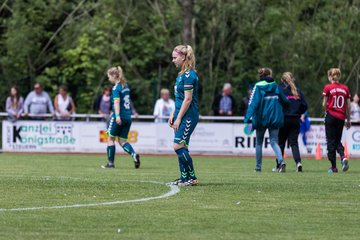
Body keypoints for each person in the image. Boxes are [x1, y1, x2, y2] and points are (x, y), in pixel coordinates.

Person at [244, 68, 289, 172]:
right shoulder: (276, 86)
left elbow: (253, 104)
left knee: (259, 142)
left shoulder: (258, 86)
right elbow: (285, 101)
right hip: (274, 118)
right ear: (270, 74)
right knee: (274, 142)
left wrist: (247, 118)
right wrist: (286, 108)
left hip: (261, 118)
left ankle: (258, 167)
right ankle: (281, 161)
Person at [168, 45, 199, 186]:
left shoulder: (189, 75)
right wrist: (173, 114)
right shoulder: (181, 75)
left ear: (183, 57)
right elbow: (179, 99)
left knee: (178, 146)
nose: (173, 60)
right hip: (181, 114)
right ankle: (184, 177)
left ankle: (192, 178)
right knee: (183, 146)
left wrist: (179, 118)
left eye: (175, 57)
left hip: (188, 116)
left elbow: (188, 99)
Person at [101, 66, 140, 169]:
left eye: (109, 76)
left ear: (114, 76)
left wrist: (117, 115)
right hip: (128, 116)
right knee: (122, 141)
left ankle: (110, 164)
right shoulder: (126, 86)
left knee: (110, 139)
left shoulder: (116, 88)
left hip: (119, 116)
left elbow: (117, 102)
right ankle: (134, 154)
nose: (109, 79)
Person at [274, 72, 307, 172]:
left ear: (282, 80)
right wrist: (298, 112)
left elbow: (275, 104)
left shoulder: (279, 89)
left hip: (283, 119)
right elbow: (305, 106)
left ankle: (280, 165)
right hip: (295, 119)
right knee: (294, 143)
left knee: (280, 143)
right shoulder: (297, 90)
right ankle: (298, 163)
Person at [322, 68, 351, 173]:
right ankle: (343, 157)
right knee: (338, 140)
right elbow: (348, 106)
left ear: (330, 76)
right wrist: (348, 119)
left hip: (331, 116)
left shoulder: (328, 87)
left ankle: (333, 167)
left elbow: (324, 103)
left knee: (331, 142)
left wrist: (327, 109)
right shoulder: (345, 89)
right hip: (341, 117)